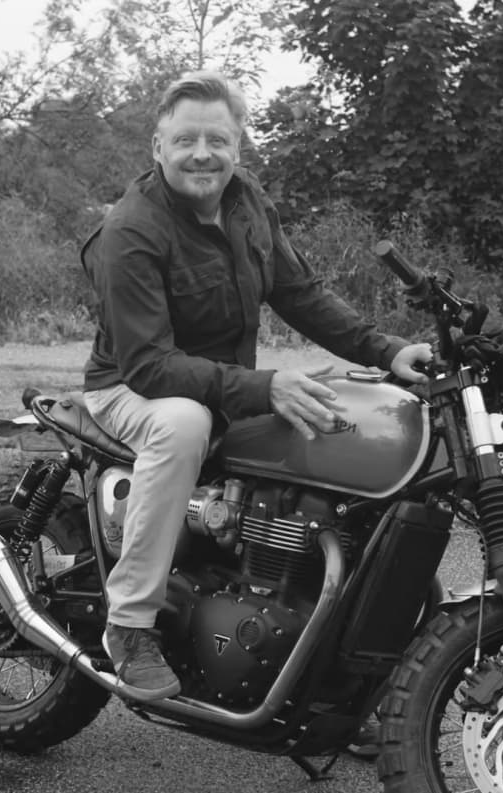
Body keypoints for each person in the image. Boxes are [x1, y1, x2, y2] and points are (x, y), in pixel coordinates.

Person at [79, 70, 432, 701]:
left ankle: (327, 649)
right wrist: (265, 387)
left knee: (341, 423)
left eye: (218, 138)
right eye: (185, 139)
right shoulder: (130, 230)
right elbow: (149, 366)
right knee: (183, 422)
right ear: (158, 148)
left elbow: (300, 294)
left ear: (239, 145)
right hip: (130, 388)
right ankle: (130, 625)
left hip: (220, 384)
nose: (202, 153)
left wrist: (391, 350)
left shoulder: (247, 202)